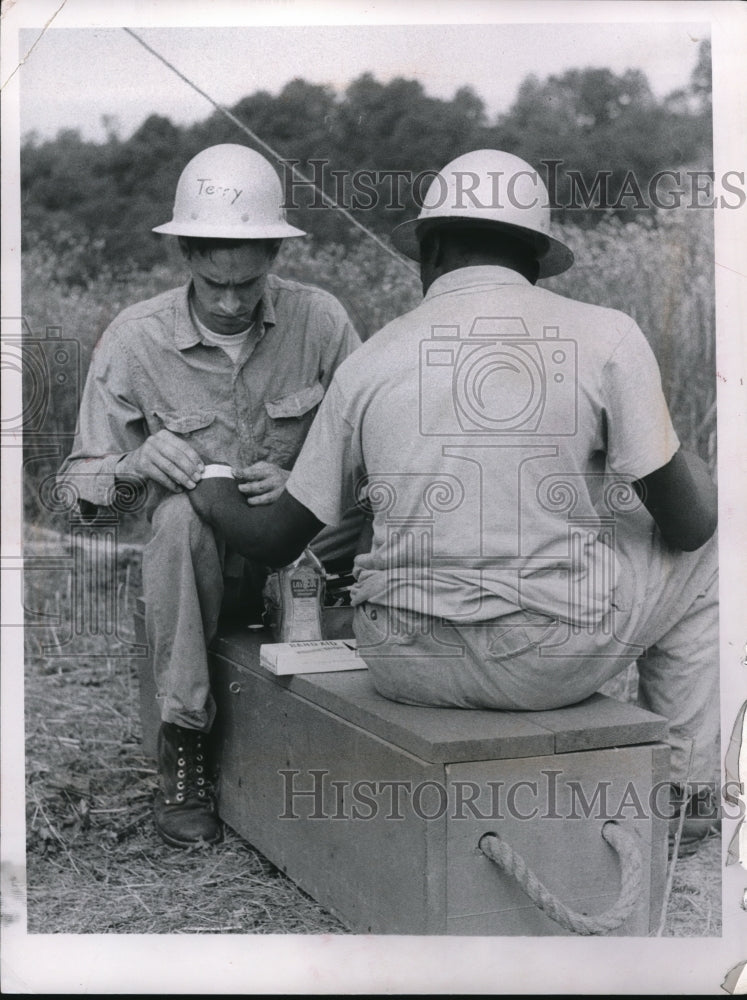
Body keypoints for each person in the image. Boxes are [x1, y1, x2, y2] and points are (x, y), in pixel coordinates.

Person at [186, 149, 720, 854]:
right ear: (534, 254)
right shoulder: (606, 334)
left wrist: (211, 481)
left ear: (429, 249)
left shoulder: (368, 360)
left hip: (404, 660)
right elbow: (688, 527)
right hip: (540, 661)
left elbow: (276, 539)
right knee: (719, 542)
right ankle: (682, 794)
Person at [58, 144, 362, 848]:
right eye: (213, 282)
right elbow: (83, 497)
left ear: (273, 262)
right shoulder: (135, 340)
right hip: (204, 577)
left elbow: (375, 446)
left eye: (248, 285)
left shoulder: (321, 322)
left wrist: (310, 479)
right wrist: (133, 462)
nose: (230, 303)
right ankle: (185, 744)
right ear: (185, 258)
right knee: (175, 520)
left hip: (307, 558)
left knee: (386, 505)